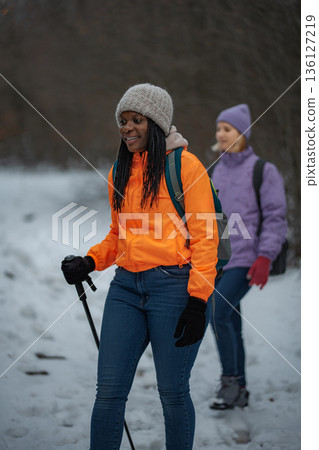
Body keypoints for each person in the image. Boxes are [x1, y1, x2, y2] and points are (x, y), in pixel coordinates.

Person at [62, 83, 219, 449]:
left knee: (173, 393)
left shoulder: (186, 166)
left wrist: (198, 301)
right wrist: (90, 261)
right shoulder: (120, 170)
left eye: (137, 120)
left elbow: (206, 239)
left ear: (157, 123)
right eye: (123, 120)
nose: (127, 127)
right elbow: (119, 236)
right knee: (109, 393)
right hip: (126, 290)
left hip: (175, 289)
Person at [208, 104, 287, 410]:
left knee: (217, 313)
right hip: (217, 260)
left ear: (241, 132)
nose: (221, 134)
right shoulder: (212, 170)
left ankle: (230, 382)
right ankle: (239, 388)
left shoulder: (262, 171)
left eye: (227, 129)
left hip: (246, 259)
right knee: (229, 320)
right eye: (219, 128)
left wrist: (265, 256)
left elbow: (276, 216)